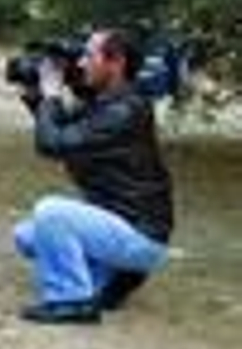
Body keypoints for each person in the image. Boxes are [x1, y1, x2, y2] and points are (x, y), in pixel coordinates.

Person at [13, 28, 173, 324]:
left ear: (116, 62)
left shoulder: (124, 111)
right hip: (120, 224)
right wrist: (38, 98)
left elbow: (52, 145)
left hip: (141, 234)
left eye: (89, 55)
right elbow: (61, 130)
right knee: (26, 236)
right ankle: (115, 276)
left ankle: (71, 300)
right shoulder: (106, 103)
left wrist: (50, 95)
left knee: (51, 212)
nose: (81, 64)